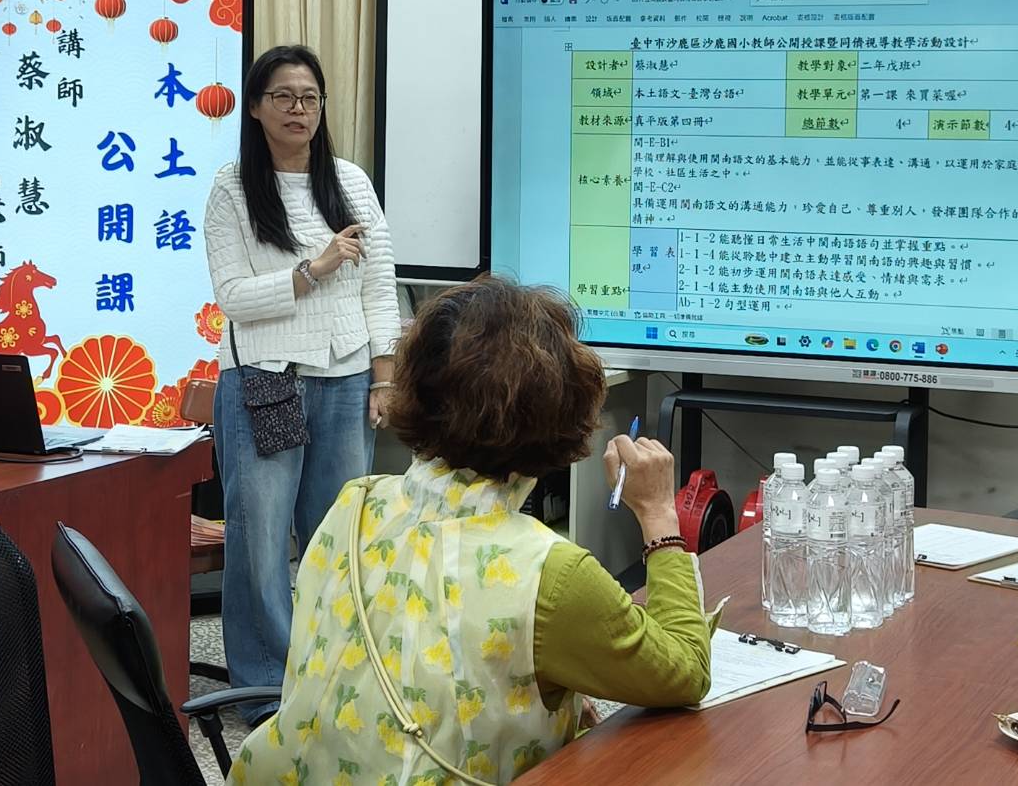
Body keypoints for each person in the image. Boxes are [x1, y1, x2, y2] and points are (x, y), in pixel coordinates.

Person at [232, 276, 713, 784]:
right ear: (563, 409)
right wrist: (658, 513)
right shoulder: (548, 571)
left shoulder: (356, 502)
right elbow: (685, 671)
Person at [205, 44, 400, 728]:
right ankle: (265, 690)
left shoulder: (350, 182)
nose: (299, 109)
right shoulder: (233, 188)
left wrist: (384, 377)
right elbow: (233, 297)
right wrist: (311, 271)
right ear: (256, 108)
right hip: (266, 380)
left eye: (310, 97)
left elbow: (380, 286)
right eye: (283, 97)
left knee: (336, 538)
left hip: (345, 380)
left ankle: (334, 677)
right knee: (259, 541)